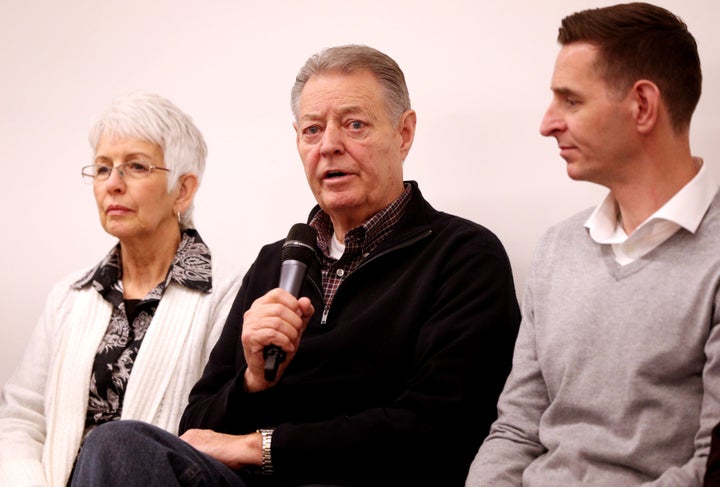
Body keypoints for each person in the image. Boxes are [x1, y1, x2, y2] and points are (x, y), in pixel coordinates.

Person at [67, 44, 521, 487]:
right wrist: (251, 380)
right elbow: (197, 427)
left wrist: (260, 447)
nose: (329, 146)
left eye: (355, 125)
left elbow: (442, 426)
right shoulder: (276, 261)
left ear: (404, 134)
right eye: (312, 130)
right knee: (117, 442)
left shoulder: (463, 255)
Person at [465, 3, 720, 486]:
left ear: (642, 105)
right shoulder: (557, 250)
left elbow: (710, 469)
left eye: (571, 100)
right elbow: (517, 430)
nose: (547, 123)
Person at [0, 92, 243, 487]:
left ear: (182, 190)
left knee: (115, 443)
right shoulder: (69, 295)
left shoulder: (230, 292)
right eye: (101, 169)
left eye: (135, 166)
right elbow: (21, 418)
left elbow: (221, 430)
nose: (113, 184)